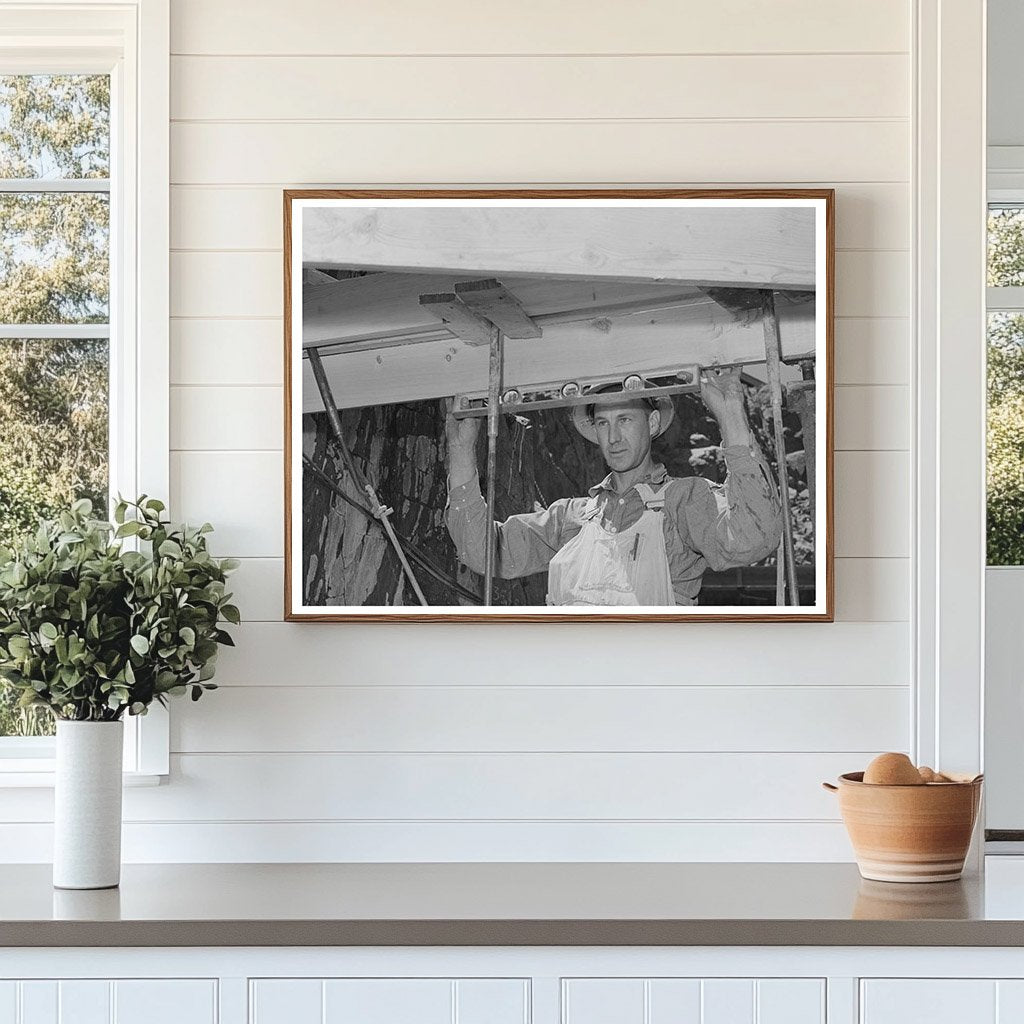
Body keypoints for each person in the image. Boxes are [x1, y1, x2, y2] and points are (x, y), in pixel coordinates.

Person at [444, 368, 782, 606]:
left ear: (651, 423)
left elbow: (752, 539)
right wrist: (460, 450)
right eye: (603, 423)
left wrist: (731, 414)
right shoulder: (571, 517)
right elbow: (483, 553)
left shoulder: (684, 500)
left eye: (625, 420)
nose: (613, 437)